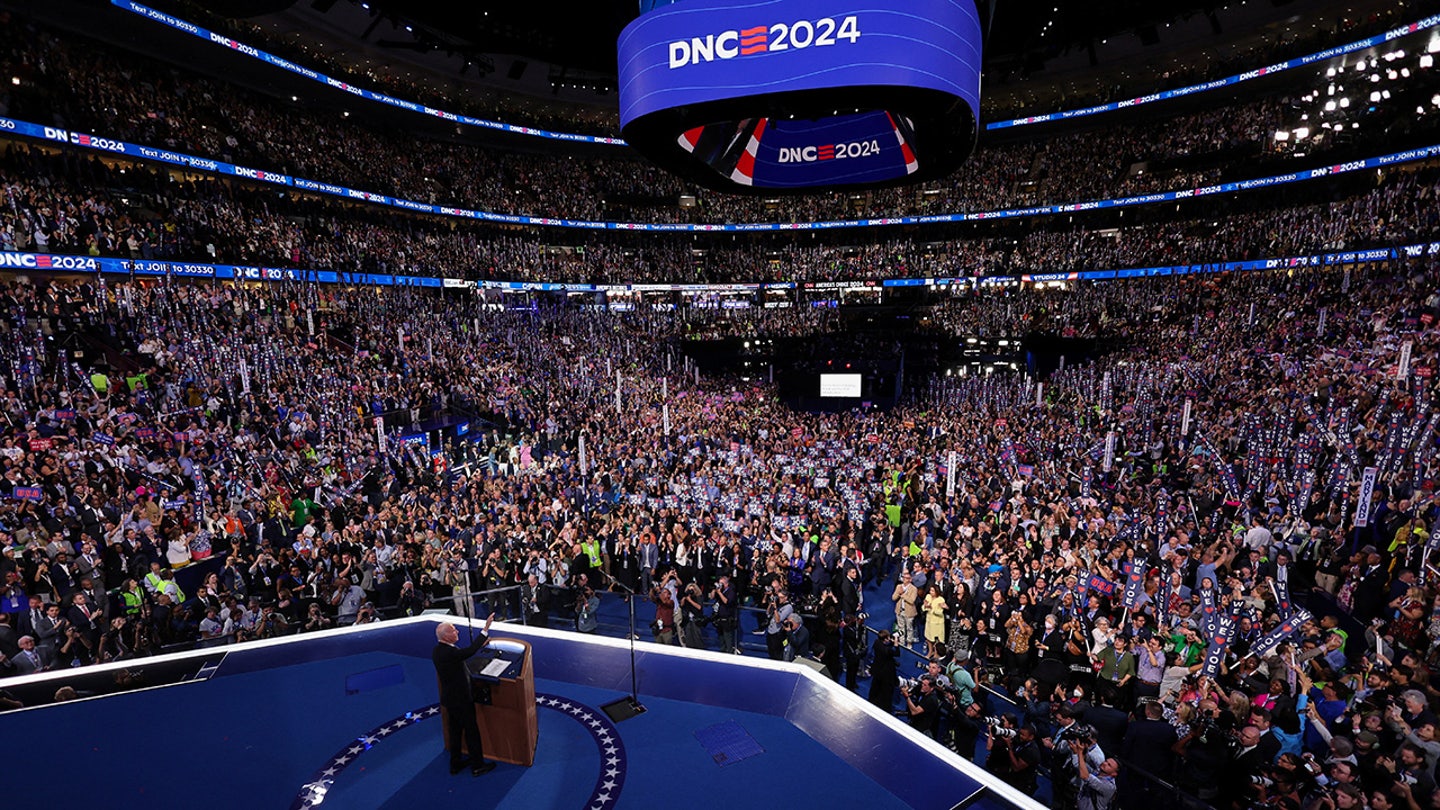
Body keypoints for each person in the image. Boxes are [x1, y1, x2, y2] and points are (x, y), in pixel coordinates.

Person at [432, 615, 497, 777]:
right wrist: (485, 629)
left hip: (449, 699)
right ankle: (478, 766)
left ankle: (455, 763)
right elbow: (471, 651)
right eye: (454, 630)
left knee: (455, 731)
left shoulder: (437, 650)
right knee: (471, 731)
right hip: (461, 700)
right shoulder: (451, 653)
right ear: (447, 636)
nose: (457, 631)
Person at [869, 629, 900, 711]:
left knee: (875, 688)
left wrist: (891, 642)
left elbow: (886, 645)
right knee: (887, 692)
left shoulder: (877, 642)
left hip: (877, 670)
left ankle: (871, 702)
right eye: (888, 638)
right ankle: (885, 708)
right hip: (886, 674)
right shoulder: (887, 651)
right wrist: (896, 644)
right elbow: (897, 653)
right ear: (885, 639)